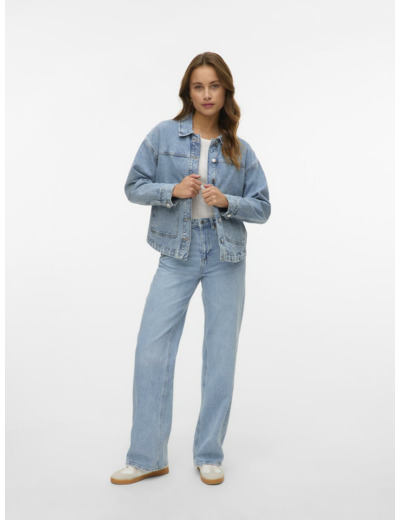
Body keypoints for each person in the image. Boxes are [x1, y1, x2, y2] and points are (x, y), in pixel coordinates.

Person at [110, 51, 271, 486]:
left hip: (225, 255)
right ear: (188, 91)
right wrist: (172, 190)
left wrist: (228, 201)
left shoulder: (240, 149)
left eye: (214, 86)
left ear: (225, 91)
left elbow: (262, 207)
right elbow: (133, 186)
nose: (206, 94)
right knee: (151, 350)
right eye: (199, 86)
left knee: (220, 355)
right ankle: (147, 456)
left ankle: (209, 453)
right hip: (176, 253)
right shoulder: (163, 135)